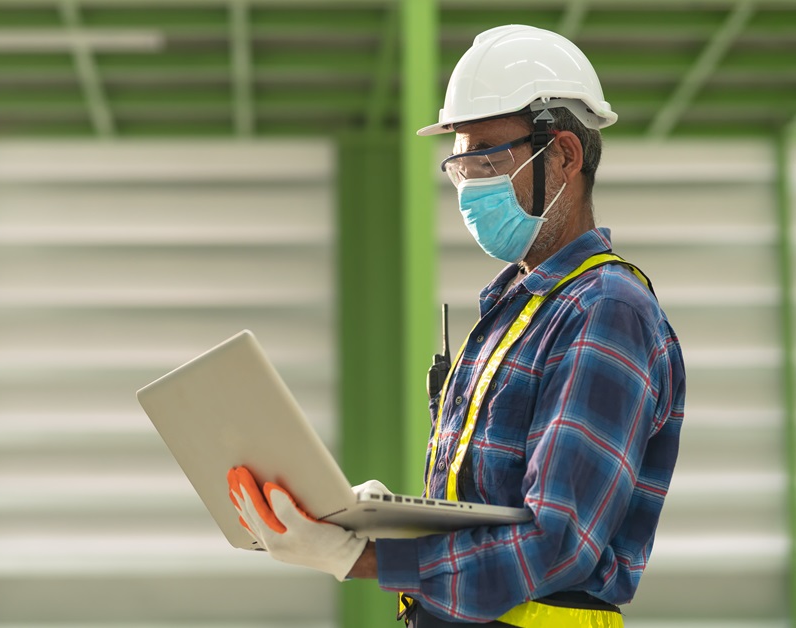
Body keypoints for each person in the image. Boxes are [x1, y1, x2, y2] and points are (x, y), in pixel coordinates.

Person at [227, 24, 686, 627]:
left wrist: (361, 555)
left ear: (566, 156)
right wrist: (380, 516)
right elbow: (488, 514)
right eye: (461, 165)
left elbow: (556, 542)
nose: (471, 187)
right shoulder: (515, 310)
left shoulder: (606, 310)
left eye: (489, 158)